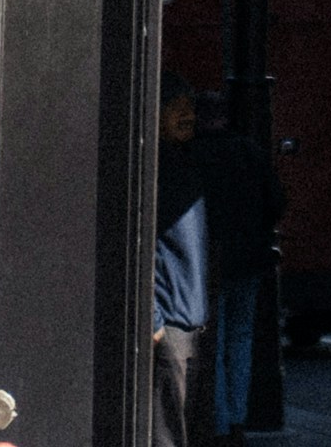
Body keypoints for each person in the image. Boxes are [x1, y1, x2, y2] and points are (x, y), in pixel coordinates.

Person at [194, 96, 282, 447]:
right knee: (241, 337)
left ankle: (219, 419)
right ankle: (238, 418)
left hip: (212, 259)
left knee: (214, 339)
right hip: (250, 256)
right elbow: (276, 200)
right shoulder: (250, 152)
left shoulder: (195, 155)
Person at [154, 67, 212, 447]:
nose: (186, 114)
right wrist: (152, 318)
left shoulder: (185, 163)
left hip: (191, 323)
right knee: (169, 433)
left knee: (187, 429)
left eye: (189, 106)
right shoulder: (152, 170)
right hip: (170, 326)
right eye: (175, 107)